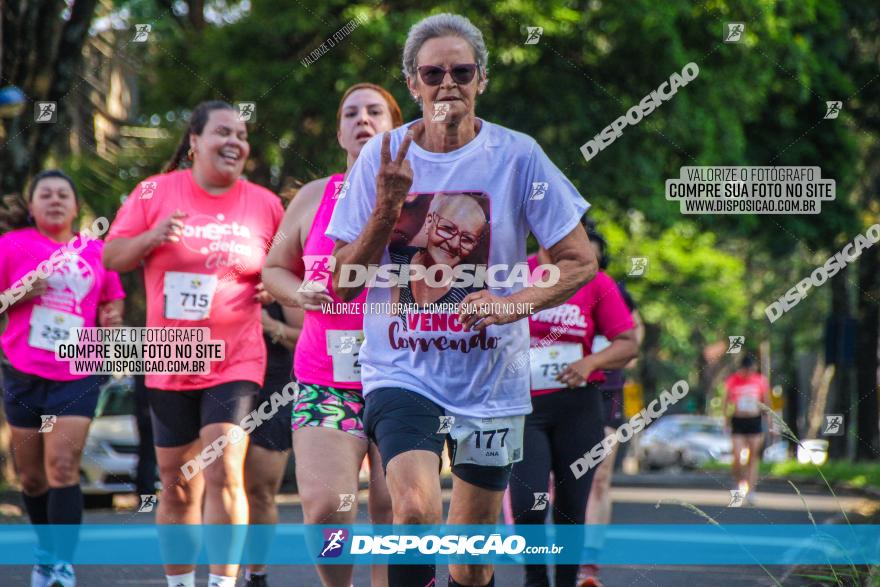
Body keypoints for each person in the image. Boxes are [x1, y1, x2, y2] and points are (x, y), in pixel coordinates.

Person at [326, 14, 598, 587]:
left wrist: (511, 303)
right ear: (412, 83)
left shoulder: (518, 157)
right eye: (433, 72)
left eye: (461, 71)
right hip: (400, 370)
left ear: (481, 80)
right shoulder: (381, 157)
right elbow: (343, 284)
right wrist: (386, 209)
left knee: (471, 563)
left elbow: (579, 260)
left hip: (491, 380)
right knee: (415, 513)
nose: (447, 82)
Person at [103, 100, 284, 587]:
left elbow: (287, 268)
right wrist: (153, 236)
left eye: (242, 135)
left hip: (237, 357)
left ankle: (224, 582)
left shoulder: (265, 203)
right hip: (170, 355)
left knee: (225, 465)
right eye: (223, 132)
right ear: (194, 143)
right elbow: (112, 255)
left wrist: (273, 285)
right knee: (177, 482)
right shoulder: (154, 192)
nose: (236, 142)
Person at [262, 82, 402, 587]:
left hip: (405, 375)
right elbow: (273, 268)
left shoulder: (425, 197)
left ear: (395, 125)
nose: (362, 120)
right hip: (326, 377)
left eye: (374, 112)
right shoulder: (314, 196)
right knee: (325, 510)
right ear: (340, 130)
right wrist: (299, 294)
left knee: (396, 507)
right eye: (350, 113)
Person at [0, 169, 125, 587]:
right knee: (32, 476)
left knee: (62, 466)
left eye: (63, 194)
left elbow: (112, 303)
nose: (55, 200)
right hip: (22, 372)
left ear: (75, 206)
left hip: (77, 371)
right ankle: (45, 550)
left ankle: (62, 564)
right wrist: (19, 292)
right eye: (45, 194)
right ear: (32, 206)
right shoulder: (10, 246)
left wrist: (112, 321)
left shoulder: (95, 250)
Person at [506, 224, 639, 587]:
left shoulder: (596, 283)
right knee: (527, 502)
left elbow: (627, 342)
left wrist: (590, 363)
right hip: (524, 407)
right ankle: (535, 577)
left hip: (578, 407)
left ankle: (566, 580)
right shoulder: (517, 273)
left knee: (571, 506)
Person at [578, 227, 643, 587]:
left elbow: (634, 338)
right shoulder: (553, 287)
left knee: (600, 475)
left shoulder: (616, 292)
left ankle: (589, 564)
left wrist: (609, 354)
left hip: (607, 391)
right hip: (558, 391)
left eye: (595, 253)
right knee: (561, 477)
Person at [241, 300, 300, 587]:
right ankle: (220, 574)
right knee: (216, 485)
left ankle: (256, 574)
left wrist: (270, 324)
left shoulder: (281, 269)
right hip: (216, 383)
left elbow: (306, 336)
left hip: (272, 390)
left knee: (260, 489)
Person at [723, 355, 770, 505]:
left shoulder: (760, 381)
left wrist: (769, 421)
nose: (749, 373)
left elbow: (766, 401)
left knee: (752, 457)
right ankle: (739, 483)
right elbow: (725, 402)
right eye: (746, 370)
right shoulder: (733, 380)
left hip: (754, 421)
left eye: (751, 370)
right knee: (737, 456)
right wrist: (726, 420)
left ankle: (751, 491)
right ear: (741, 369)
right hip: (738, 421)